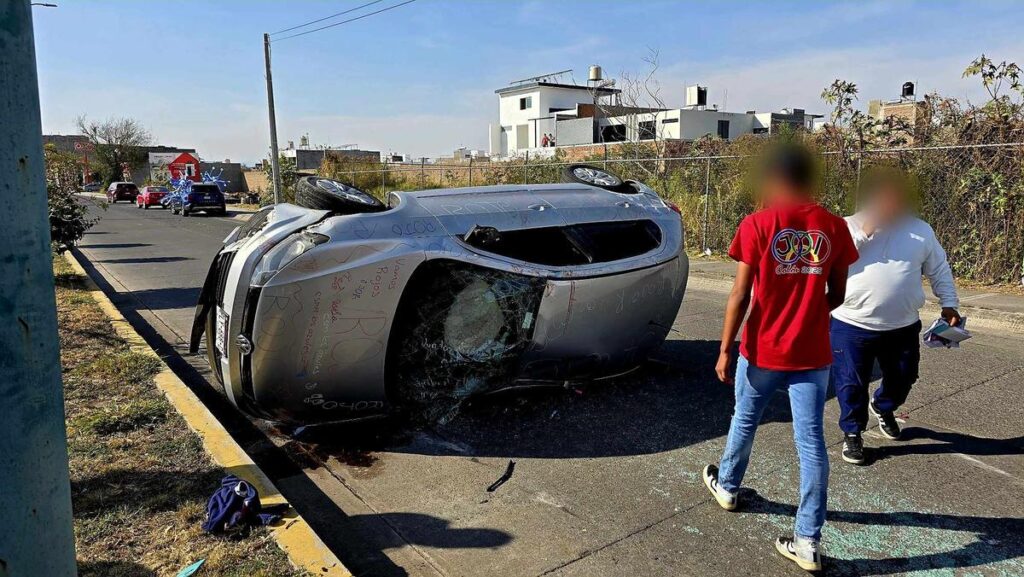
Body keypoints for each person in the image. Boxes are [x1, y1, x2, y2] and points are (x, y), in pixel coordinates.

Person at [701, 144, 858, 572]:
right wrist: (808, 314)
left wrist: (724, 347)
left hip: (762, 351)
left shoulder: (757, 223)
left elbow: (739, 294)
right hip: (812, 355)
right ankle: (808, 540)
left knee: (744, 419)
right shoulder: (834, 227)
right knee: (811, 444)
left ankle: (729, 487)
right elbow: (839, 295)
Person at [831, 169, 960, 466]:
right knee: (850, 383)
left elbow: (938, 269)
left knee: (905, 376)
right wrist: (868, 229)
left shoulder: (921, 230)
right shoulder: (847, 225)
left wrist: (950, 304)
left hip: (902, 325)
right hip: (851, 323)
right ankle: (853, 433)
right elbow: (835, 259)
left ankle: (883, 405)